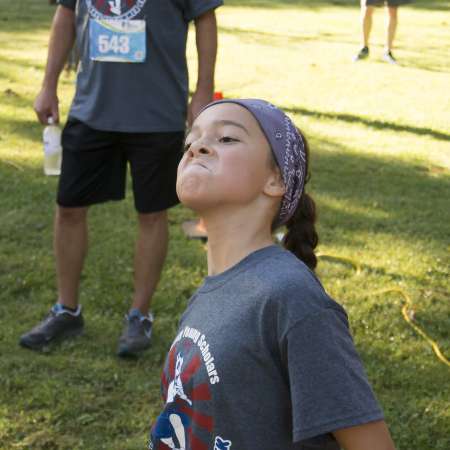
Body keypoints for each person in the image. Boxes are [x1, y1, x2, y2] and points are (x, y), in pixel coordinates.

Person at [148, 99, 397, 450]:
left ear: (275, 179)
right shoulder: (208, 296)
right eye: (191, 141)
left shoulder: (291, 297)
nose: (197, 148)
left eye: (227, 139)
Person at [19, 0, 222, 357]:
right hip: (91, 109)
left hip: (157, 112)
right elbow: (66, 13)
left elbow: (205, 18)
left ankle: (139, 315)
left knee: (152, 213)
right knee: (68, 208)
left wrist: (203, 90)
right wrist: (48, 84)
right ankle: (67, 310)